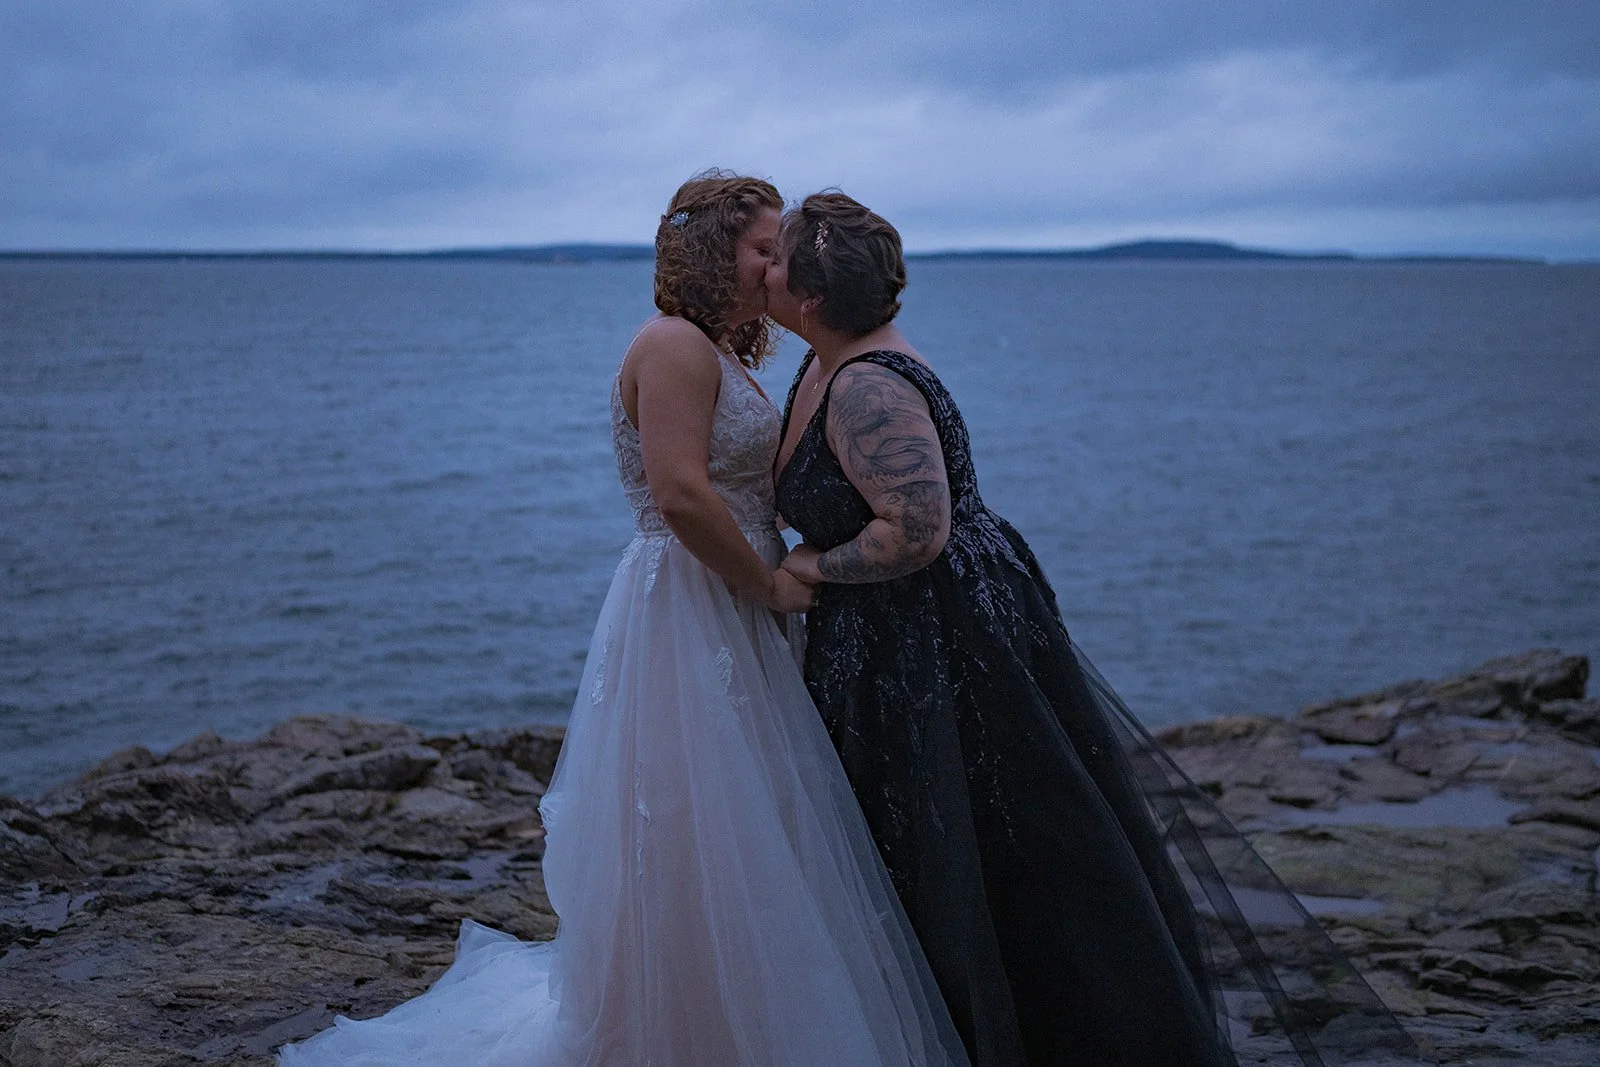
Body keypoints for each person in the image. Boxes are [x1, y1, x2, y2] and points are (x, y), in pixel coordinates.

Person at [278, 172, 967, 1066]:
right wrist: (766, 585)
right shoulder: (673, 344)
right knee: (693, 820)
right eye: (763, 249)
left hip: (733, 594)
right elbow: (680, 495)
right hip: (694, 600)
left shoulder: (715, 349)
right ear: (715, 253)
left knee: (751, 817)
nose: (777, 267)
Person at [767, 192, 1432, 1066]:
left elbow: (916, 530)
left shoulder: (866, 386)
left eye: (775, 261)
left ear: (812, 298)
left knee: (990, 854)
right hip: (898, 635)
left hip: (938, 642)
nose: (762, 272)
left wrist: (812, 566)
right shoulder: (825, 360)